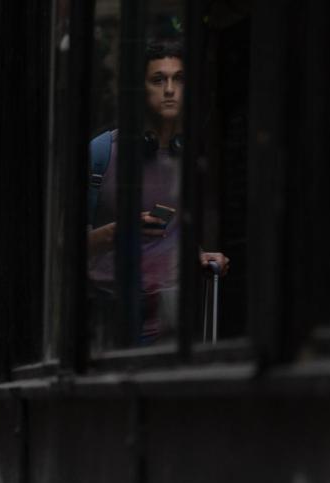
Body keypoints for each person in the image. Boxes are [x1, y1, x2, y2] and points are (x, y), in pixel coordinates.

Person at [87, 38, 229, 344]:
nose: (169, 89)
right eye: (158, 79)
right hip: (106, 326)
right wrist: (117, 231)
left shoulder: (194, 157)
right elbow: (65, 248)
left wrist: (202, 256)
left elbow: (176, 234)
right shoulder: (102, 153)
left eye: (178, 79)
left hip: (171, 327)